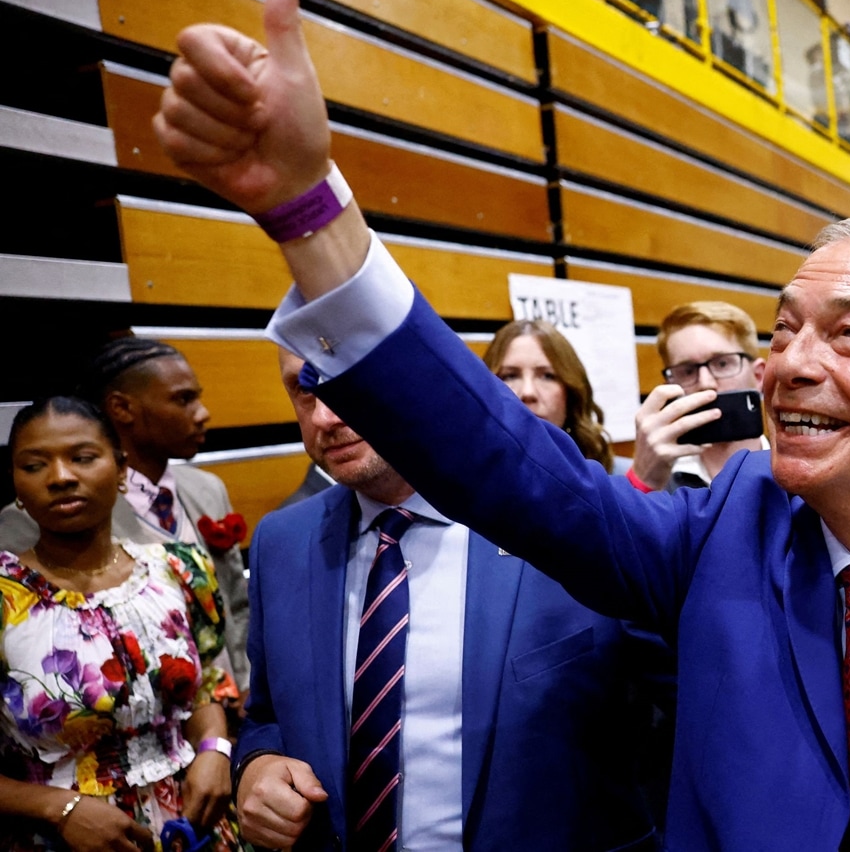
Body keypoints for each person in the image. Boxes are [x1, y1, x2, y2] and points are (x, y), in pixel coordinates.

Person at [153, 0, 850, 849]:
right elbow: (500, 458)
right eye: (782, 329)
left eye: (846, 334)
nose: (789, 365)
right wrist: (308, 211)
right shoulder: (715, 543)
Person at [234, 349, 665, 850]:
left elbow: (676, 714)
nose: (326, 416)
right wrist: (256, 763)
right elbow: (267, 713)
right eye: (304, 390)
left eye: (342, 380)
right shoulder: (282, 542)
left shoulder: (571, 519)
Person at [0, 397, 237, 850]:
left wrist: (214, 750)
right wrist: (57, 808)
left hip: (198, 828)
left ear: (122, 468)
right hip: (58, 837)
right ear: (15, 484)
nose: (61, 477)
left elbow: (207, 685)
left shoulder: (179, 568)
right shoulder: (5, 595)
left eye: (82, 457)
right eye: (34, 466)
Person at [0, 339, 251, 699]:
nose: (202, 413)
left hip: (228, 706)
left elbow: (236, 605)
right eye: (183, 399)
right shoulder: (40, 518)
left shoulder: (207, 488)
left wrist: (246, 685)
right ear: (122, 408)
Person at [628, 301, 766, 492]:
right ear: (670, 386)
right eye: (687, 371)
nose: (705, 383)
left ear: (758, 376)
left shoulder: (795, 471)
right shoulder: (657, 479)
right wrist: (643, 480)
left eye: (722, 364)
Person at [481, 319, 623, 474]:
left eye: (547, 376)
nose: (528, 392)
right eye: (510, 376)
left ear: (571, 394)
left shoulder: (619, 478)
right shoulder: (465, 478)